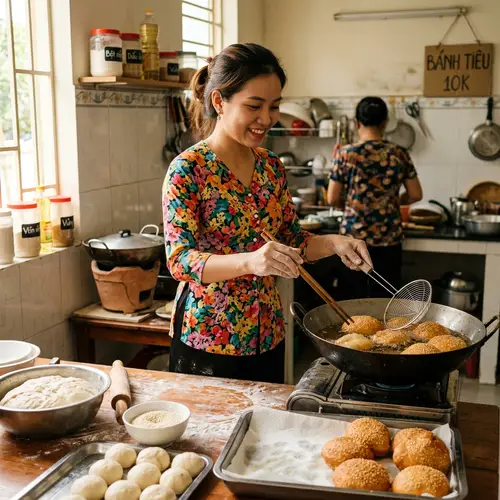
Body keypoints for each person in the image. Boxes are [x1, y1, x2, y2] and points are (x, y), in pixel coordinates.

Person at [162, 43, 372, 384]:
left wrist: (334, 243)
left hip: (267, 332)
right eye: (254, 106)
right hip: (209, 338)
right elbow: (179, 261)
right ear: (219, 101)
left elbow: (291, 239)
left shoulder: (270, 166)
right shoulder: (188, 168)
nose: (267, 119)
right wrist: (250, 262)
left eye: (274, 106)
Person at [327, 96, 423, 299]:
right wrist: (394, 202)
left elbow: (331, 198)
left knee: (351, 301)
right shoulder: (399, 153)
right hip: (389, 240)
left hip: (352, 240)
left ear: (357, 123)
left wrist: (349, 205)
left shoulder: (345, 154)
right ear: (385, 123)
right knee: (386, 302)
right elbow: (416, 194)